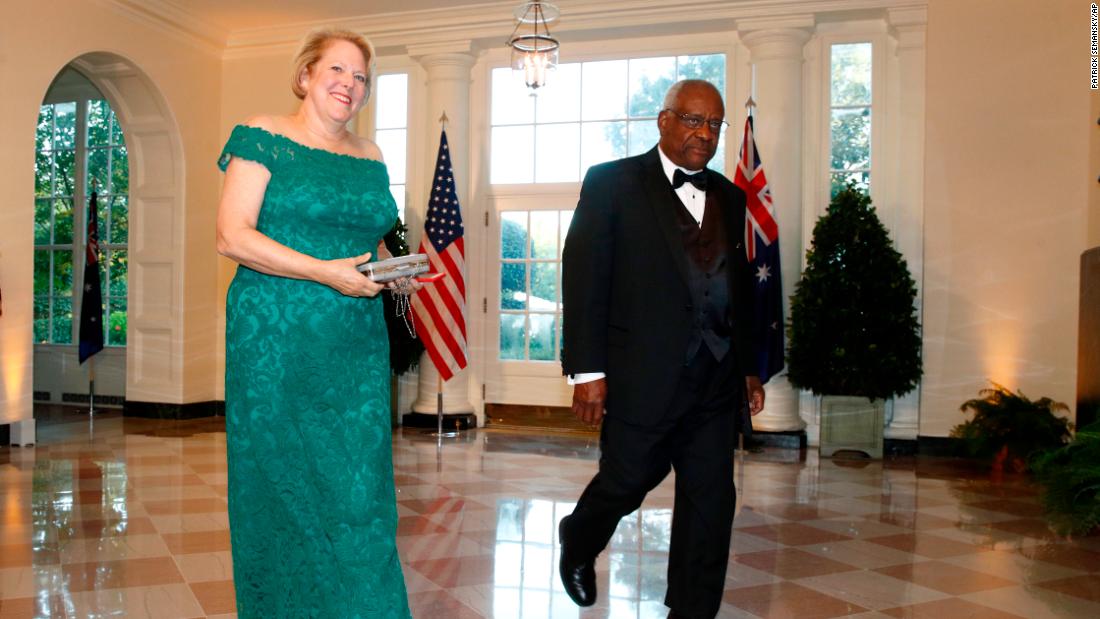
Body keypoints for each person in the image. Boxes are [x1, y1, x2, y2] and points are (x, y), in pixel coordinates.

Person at [215, 27, 412, 618]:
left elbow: (374, 238)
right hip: (273, 336)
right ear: (305, 76)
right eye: (337, 71)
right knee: (282, 484)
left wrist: (391, 271)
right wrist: (325, 272)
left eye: (361, 78)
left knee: (359, 488)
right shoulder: (263, 136)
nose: (350, 86)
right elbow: (232, 236)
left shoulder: (371, 155)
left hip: (354, 340)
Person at [558, 79, 766, 619]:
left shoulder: (731, 196)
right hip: (641, 375)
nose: (704, 134)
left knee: (711, 502)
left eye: (714, 124)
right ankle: (579, 538)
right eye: (693, 120)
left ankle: (691, 611)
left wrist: (748, 366)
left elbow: (735, 285)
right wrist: (586, 371)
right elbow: (584, 278)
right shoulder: (612, 184)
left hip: (716, 380)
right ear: (664, 120)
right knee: (627, 482)